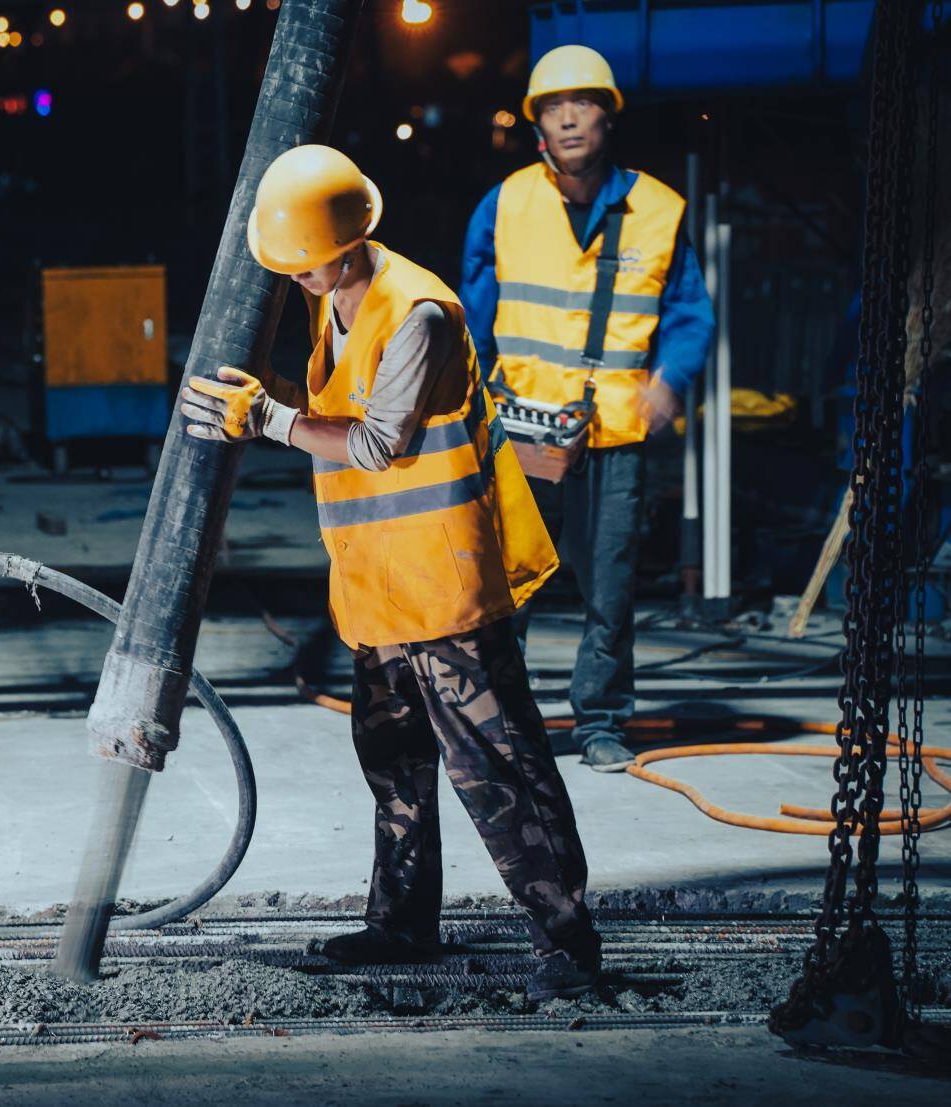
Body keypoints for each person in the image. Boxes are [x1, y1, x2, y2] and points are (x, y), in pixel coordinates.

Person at [181, 145, 604, 999]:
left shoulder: (419, 312)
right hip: (377, 588)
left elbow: (379, 441)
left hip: (445, 590)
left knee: (498, 766)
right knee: (393, 761)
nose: (295, 274)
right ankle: (400, 924)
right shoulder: (334, 295)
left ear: (348, 235)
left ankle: (566, 940)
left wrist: (265, 417)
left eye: (305, 259)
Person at [462, 44, 716, 771]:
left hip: (612, 431)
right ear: (537, 123)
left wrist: (669, 377)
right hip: (522, 429)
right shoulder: (505, 204)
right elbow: (471, 317)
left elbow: (688, 312)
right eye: (552, 106)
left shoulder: (658, 210)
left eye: (583, 104)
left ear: (608, 117)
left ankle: (599, 720)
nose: (568, 117)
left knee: (610, 581)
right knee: (511, 580)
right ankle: (499, 720)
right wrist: (467, 403)